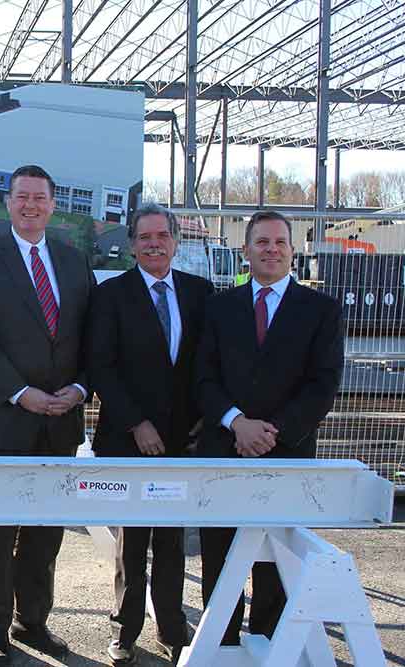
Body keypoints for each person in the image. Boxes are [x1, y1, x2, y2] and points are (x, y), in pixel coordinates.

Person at [0, 164, 95, 666]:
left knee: (46, 531)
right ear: (8, 203)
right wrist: (20, 392)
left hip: (61, 420)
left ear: (53, 204)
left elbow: (90, 338)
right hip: (4, 420)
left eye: (40, 197)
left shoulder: (75, 262)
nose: (31, 205)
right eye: (21, 197)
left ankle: (32, 621)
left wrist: (79, 389)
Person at [195, 210, 344, 645]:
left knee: (276, 560)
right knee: (220, 556)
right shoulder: (219, 307)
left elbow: (323, 385)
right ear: (246, 251)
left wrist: (271, 431)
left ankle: (270, 642)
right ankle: (219, 644)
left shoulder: (321, 310)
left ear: (293, 252)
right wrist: (236, 423)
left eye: (280, 242)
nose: (271, 249)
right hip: (224, 450)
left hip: (287, 454)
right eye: (262, 242)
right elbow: (202, 377)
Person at [87, 203, 214, 666]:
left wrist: (202, 420)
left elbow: (208, 365)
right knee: (132, 538)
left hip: (182, 441)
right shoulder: (111, 295)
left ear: (176, 242)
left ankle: (172, 627)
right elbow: (102, 366)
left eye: (162, 235)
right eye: (145, 237)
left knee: (171, 540)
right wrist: (136, 423)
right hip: (128, 438)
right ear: (132, 244)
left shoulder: (201, 293)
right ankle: (125, 630)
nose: (154, 243)